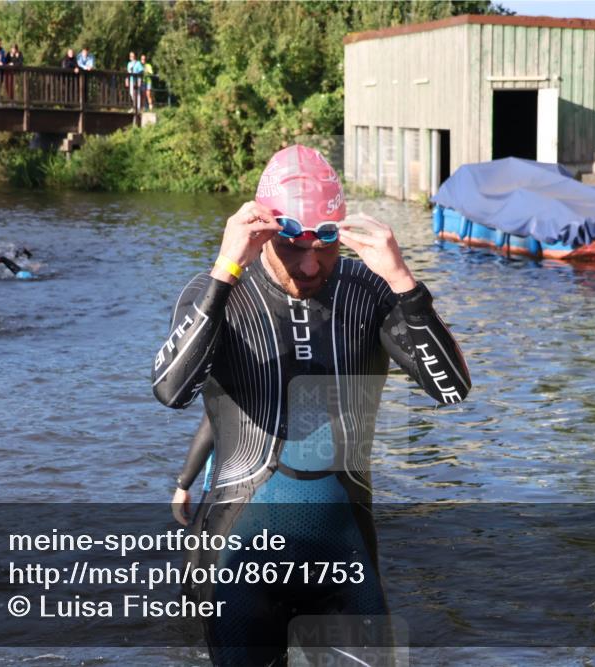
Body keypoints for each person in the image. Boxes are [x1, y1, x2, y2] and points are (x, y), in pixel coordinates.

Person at [152, 145, 471, 664]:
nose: (309, 262)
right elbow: (171, 390)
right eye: (291, 244)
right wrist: (223, 271)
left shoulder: (370, 291)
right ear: (260, 231)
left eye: (324, 245)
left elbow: (452, 388)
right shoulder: (216, 293)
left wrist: (405, 283)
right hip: (238, 558)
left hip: (346, 558)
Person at [171, 416, 214, 526]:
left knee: (203, 541)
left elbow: (213, 421)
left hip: (227, 484)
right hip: (262, 479)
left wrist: (183, 485)